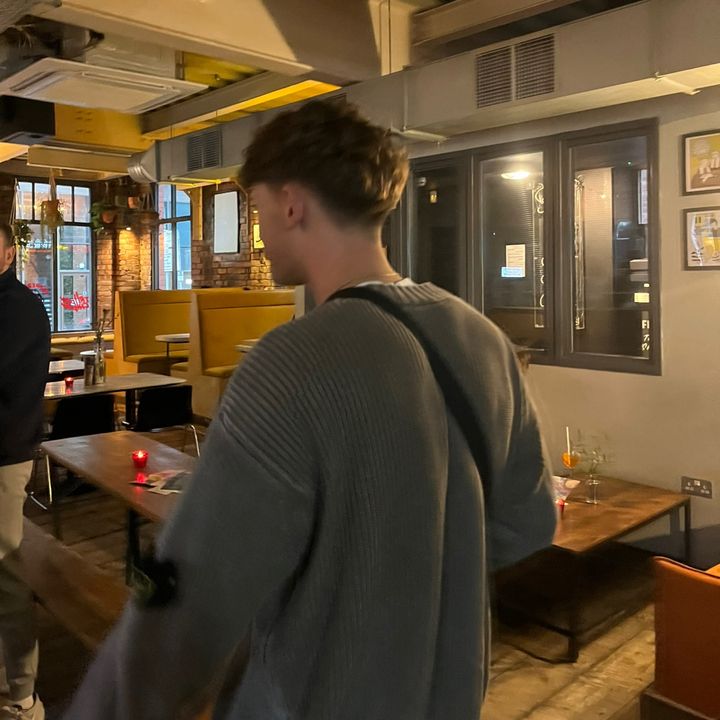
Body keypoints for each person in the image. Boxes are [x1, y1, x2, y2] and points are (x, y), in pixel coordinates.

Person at [64, 100, 556, 720]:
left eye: (258, 206)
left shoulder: (289, 364)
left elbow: (193, 597)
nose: (261, 231)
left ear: (291, 202)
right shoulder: (483, 339)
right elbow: (529, 523)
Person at [0, 223, 50, 720]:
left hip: (5, 457)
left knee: (6, 573)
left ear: (9, 253)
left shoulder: (18, 307)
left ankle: (22, 697)